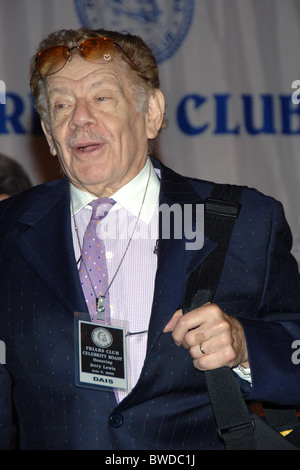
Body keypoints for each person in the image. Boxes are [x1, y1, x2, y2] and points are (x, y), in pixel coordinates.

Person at [0, 27, 300, 451]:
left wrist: (246, 346)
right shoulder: (8, 232)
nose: (80, 118)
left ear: (152, 113)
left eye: (102, 97)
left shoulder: (242, 221)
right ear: (50, 135)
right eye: (62, 104)